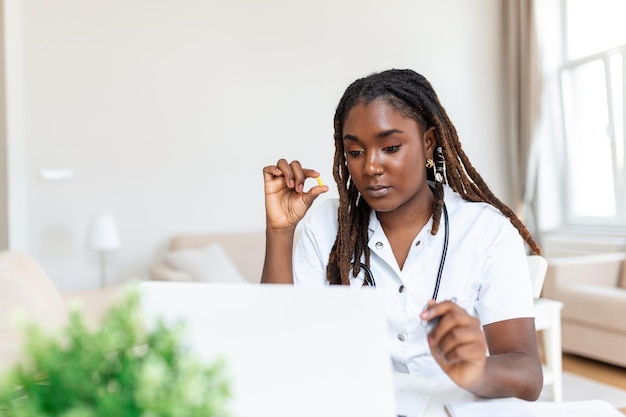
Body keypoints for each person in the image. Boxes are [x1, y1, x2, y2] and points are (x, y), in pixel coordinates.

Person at [261, 69, 543, 401]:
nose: (370, 167)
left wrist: (478, 369)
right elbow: (277, 343)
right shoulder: (326, 223)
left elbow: (527, 375)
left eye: (391, 147)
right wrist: (279, 231)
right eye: (355, 152)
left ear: (428, 143)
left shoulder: (486, 231)